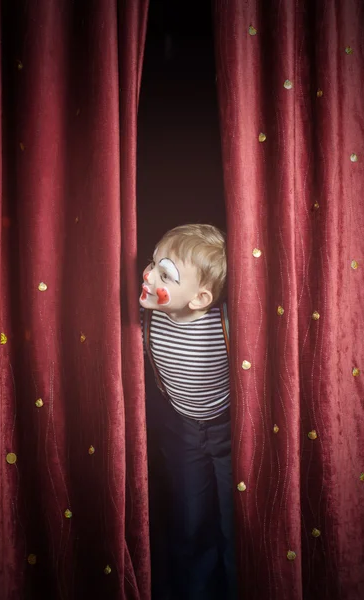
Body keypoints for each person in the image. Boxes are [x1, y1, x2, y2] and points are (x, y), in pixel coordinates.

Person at [140, 223, 237, 600]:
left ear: (199, 298)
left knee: (233, 520)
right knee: (189, 518)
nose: (149, 275)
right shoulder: (150, 316)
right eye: (153, 263)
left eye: (165, 274)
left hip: (228, 430)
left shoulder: (224, 323)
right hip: (181, 430)